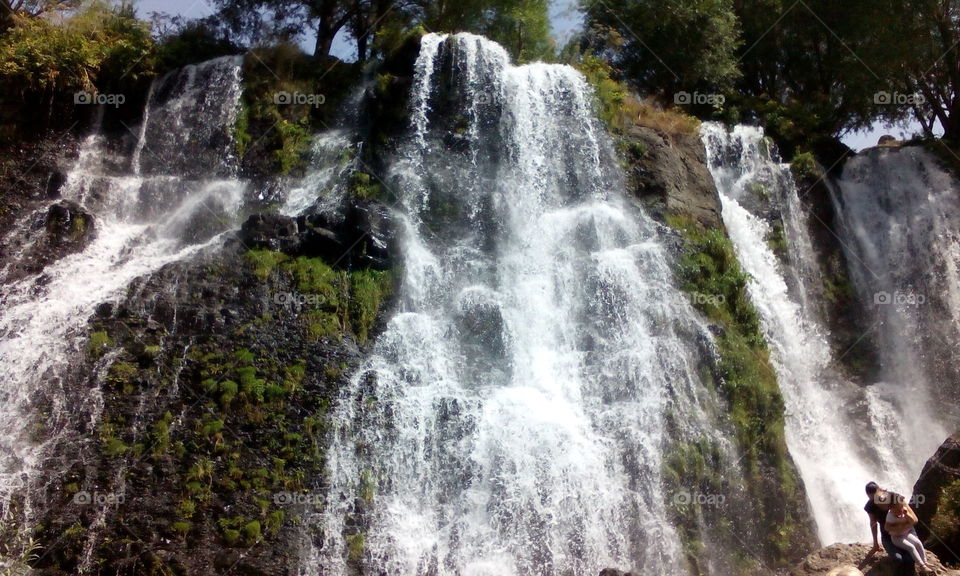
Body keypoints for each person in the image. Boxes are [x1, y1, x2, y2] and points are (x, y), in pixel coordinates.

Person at [864, 481, 915, 572]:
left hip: (906, 532)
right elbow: (873, 523)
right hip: (888, 536)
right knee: (898, 559)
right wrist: (875, 543)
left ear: (880, 490)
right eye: (872, 499)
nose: (875, 501)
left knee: (910, 558)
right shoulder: (870, 506)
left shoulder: (895, 497)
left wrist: (900, 527)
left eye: (876, 497)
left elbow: (914, 519)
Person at [886, 494, 933, 574]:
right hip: (896, 538)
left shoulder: (904, 510)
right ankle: (922, 566)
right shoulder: (890, 517)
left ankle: (925, 561)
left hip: (906, 534)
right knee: (910, 547)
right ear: (891, 509)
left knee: (918, 542)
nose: (899, 512)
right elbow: (888, 528)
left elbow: (913, 521)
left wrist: (907, 514)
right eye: (897, 510)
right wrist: (899, 527)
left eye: (900, 508)